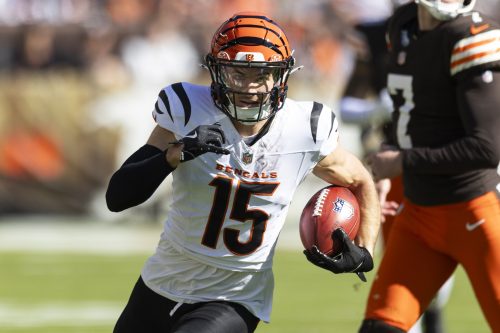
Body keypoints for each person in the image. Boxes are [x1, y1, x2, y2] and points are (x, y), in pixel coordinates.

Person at [106, 12, 380, 333]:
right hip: (163, 281)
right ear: (217, 72)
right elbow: (119, 197)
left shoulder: (304, 129)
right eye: (238, 73)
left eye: (262, 74)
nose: (250, 87)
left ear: (281, 77)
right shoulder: (188, 110)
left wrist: (365, 250)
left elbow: (360, 179)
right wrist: (175, 154)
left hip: (234, 296)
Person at [359, 0, 500, 332]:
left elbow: (487, 148)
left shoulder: (472, 36)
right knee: (380, 327)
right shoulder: (403, 25)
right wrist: (389, 151)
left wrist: (403, 161)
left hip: (476, 212)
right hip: (420, 216)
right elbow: (411, 114)